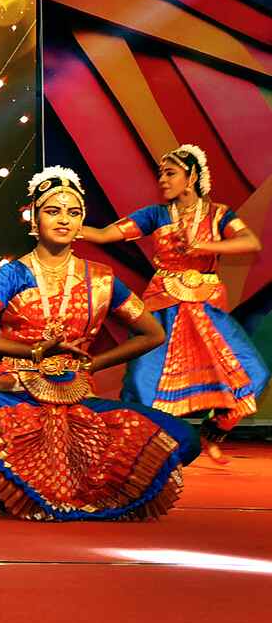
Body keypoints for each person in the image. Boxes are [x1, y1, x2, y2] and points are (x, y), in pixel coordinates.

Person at [0, 167, 198, 521]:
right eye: (53, 210)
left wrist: (94, 364)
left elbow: (153, 333)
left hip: (76, 397)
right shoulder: (13, 275)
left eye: (73, 212)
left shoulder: (102, 279)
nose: (64, 219)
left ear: (81, 221)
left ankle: (87, 488)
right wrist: (32, 352)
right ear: (35, 217)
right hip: (17, 391)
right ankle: (4, 481)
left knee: (182, 438)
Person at [77, 144, 268, 462]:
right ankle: (127, 449)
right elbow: (104, 235)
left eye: (170, 173)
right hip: (163, 308)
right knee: (141, 383)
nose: (162, 180)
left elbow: (250, 241)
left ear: (191, 176)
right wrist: (65, 226)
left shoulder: (218, 215)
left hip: (206, 309)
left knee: (252, 374)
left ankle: (213, 431)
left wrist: (204, 246)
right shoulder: (155, 215)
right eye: (160, 174)